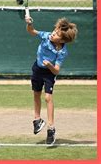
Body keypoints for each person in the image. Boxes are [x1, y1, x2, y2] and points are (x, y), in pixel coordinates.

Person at [25, 16, 78, 145]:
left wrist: (49, 65)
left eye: (56, 34)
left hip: (49, 73)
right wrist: (29, 24)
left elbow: (56, 71)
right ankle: (37, 120)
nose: (53, 34)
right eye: (54, 31)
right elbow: (32, 31)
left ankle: (51, 128)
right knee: (36, 93)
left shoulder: (62, 52)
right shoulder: (46, 36)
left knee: (48, 98)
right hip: (37, 68)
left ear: (62, 40)